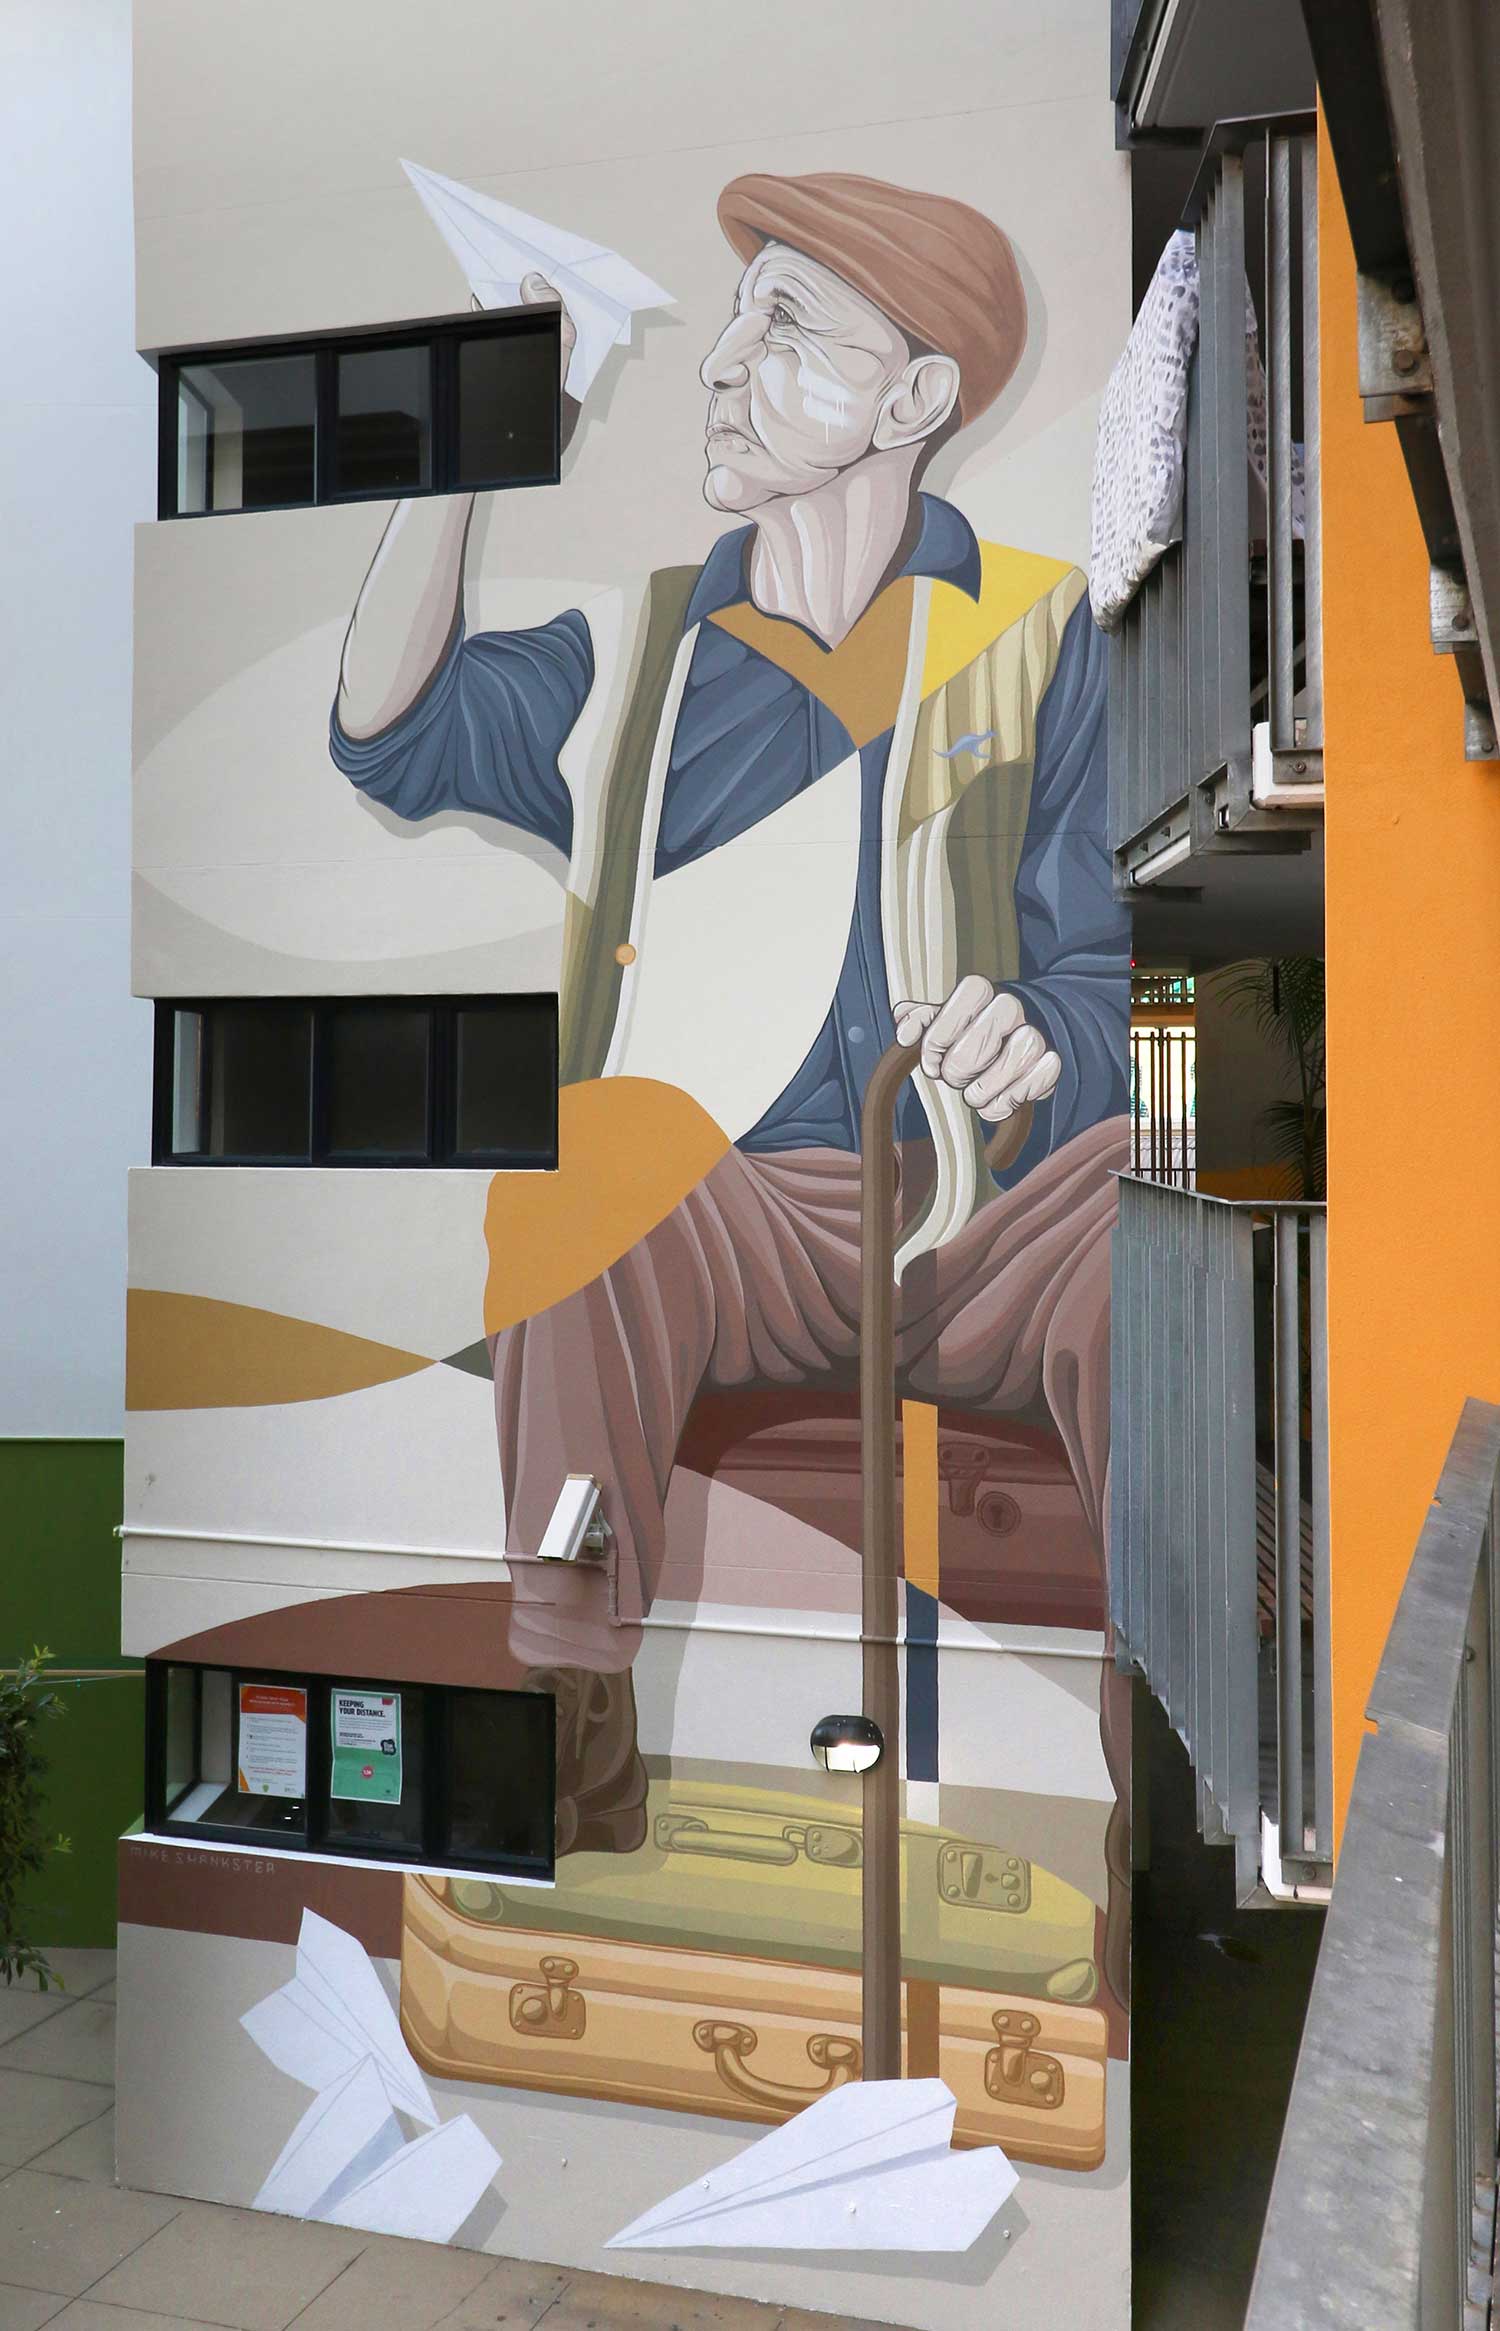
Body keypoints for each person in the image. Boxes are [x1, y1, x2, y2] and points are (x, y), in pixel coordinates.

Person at [330, 170, 1132, 2001]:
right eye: (735, 321)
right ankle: (568, 1738)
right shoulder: (638, 656)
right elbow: (391, 726)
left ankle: (1162, 1781)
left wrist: (1047, 1038)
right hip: (739, 1215)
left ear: (916, 400)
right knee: (589, 1161)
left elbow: (1098, 980)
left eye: (787, 329)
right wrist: (463, 424)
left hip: (984, 1206)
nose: (724, 363)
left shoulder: (1043, 634)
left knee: (1140, 1234)